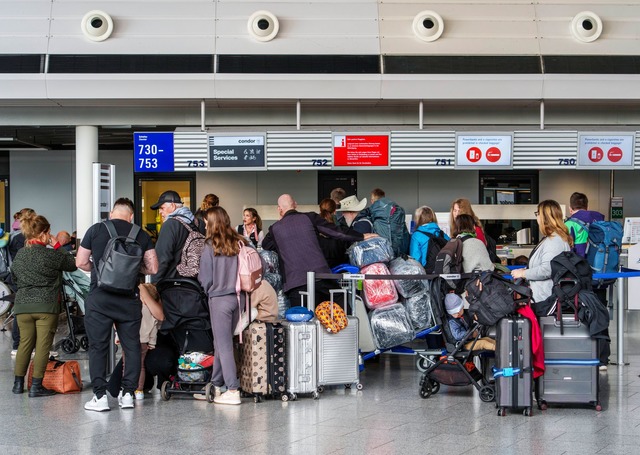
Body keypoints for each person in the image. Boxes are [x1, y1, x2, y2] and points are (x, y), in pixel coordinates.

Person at [77, 198, 158, 412]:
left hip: (100, 298)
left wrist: (99, 269)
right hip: (129, 300)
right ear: (131, 216)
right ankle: (128, 395)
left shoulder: (96, 230)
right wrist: (131, 270)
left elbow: (80, 262)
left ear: (112, 213)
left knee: (98, 347)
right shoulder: (141, 234)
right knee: (131, 347)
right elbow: (153, 268)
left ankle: (100, 397)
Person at [262, 194, 375, 307]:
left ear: (279, 209)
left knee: (303, 322)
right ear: (295, 204)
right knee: (343, 314)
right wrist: (361, 236)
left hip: (296, 283)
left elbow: (265, 245)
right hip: (322, 277)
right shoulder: (309, 217)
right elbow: (336, 232)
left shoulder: (275, 228)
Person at [10, 213, 77, 397]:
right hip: (46, 306)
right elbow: (73, 264)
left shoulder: (20, 255)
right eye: (49, 232)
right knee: (42, 346)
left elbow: (14, 277)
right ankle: (36, 386)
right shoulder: (51, 254)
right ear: (44, 233)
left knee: (24, 344)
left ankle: (17, 384)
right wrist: (56, 244)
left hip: (22, 306)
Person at [197, 206, 247, 405]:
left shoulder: (210, 246)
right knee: (222, 342)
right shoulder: (240, 242)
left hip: (219, 299)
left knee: (224, 345)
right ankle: (216, 385)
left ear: (212, 223)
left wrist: (210, 289)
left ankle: (233, 390)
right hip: (239, 298)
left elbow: (205, 278)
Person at [564, 191, 610, 370]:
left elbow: (575, 253)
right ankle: (603, 358)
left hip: (581, 278)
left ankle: (584, 354)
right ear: (587, 206)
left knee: (581, 314)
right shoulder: (600, 221)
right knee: (601, 313)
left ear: (571, 207)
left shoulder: (570, 224)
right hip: (602, 276)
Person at [511, 200, 572, 304]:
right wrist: (527, 269)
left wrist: (523, 273)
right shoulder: (552, 238)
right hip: (544, 297)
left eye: (537, 213)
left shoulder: (554, 241)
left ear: (544, 217)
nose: (537, 217)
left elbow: (547, 270)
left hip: (545, 300)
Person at [150, 190, 196, 283]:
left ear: (172, 206)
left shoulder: (170, 225)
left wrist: (154, 283)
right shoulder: (196, 222)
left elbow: (162, 258)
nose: (160, 212)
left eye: (162, 208)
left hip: (172, 285)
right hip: (193, 284)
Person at [317, 199, 349, 268]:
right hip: (338, 272)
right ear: (335, 211)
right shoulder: (342, 231)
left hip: (317, 273)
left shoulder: (311, 230)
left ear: (320, 210)